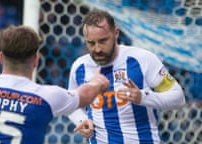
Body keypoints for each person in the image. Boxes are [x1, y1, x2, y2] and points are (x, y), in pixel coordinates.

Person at [0, 25, 110, 144]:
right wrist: (98, 82)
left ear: (0, 57)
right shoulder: (47, 97)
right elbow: (84, 95)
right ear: (36, 60)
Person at [68, 9, 186, 144]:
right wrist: (82, 121)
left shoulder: (143, 59)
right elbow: (73, 104)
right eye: (91, 43)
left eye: (103, 41)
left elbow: (178, 97)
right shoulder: (79, 67)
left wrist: (143, 97)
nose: (98, 49)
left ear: (116, 33)